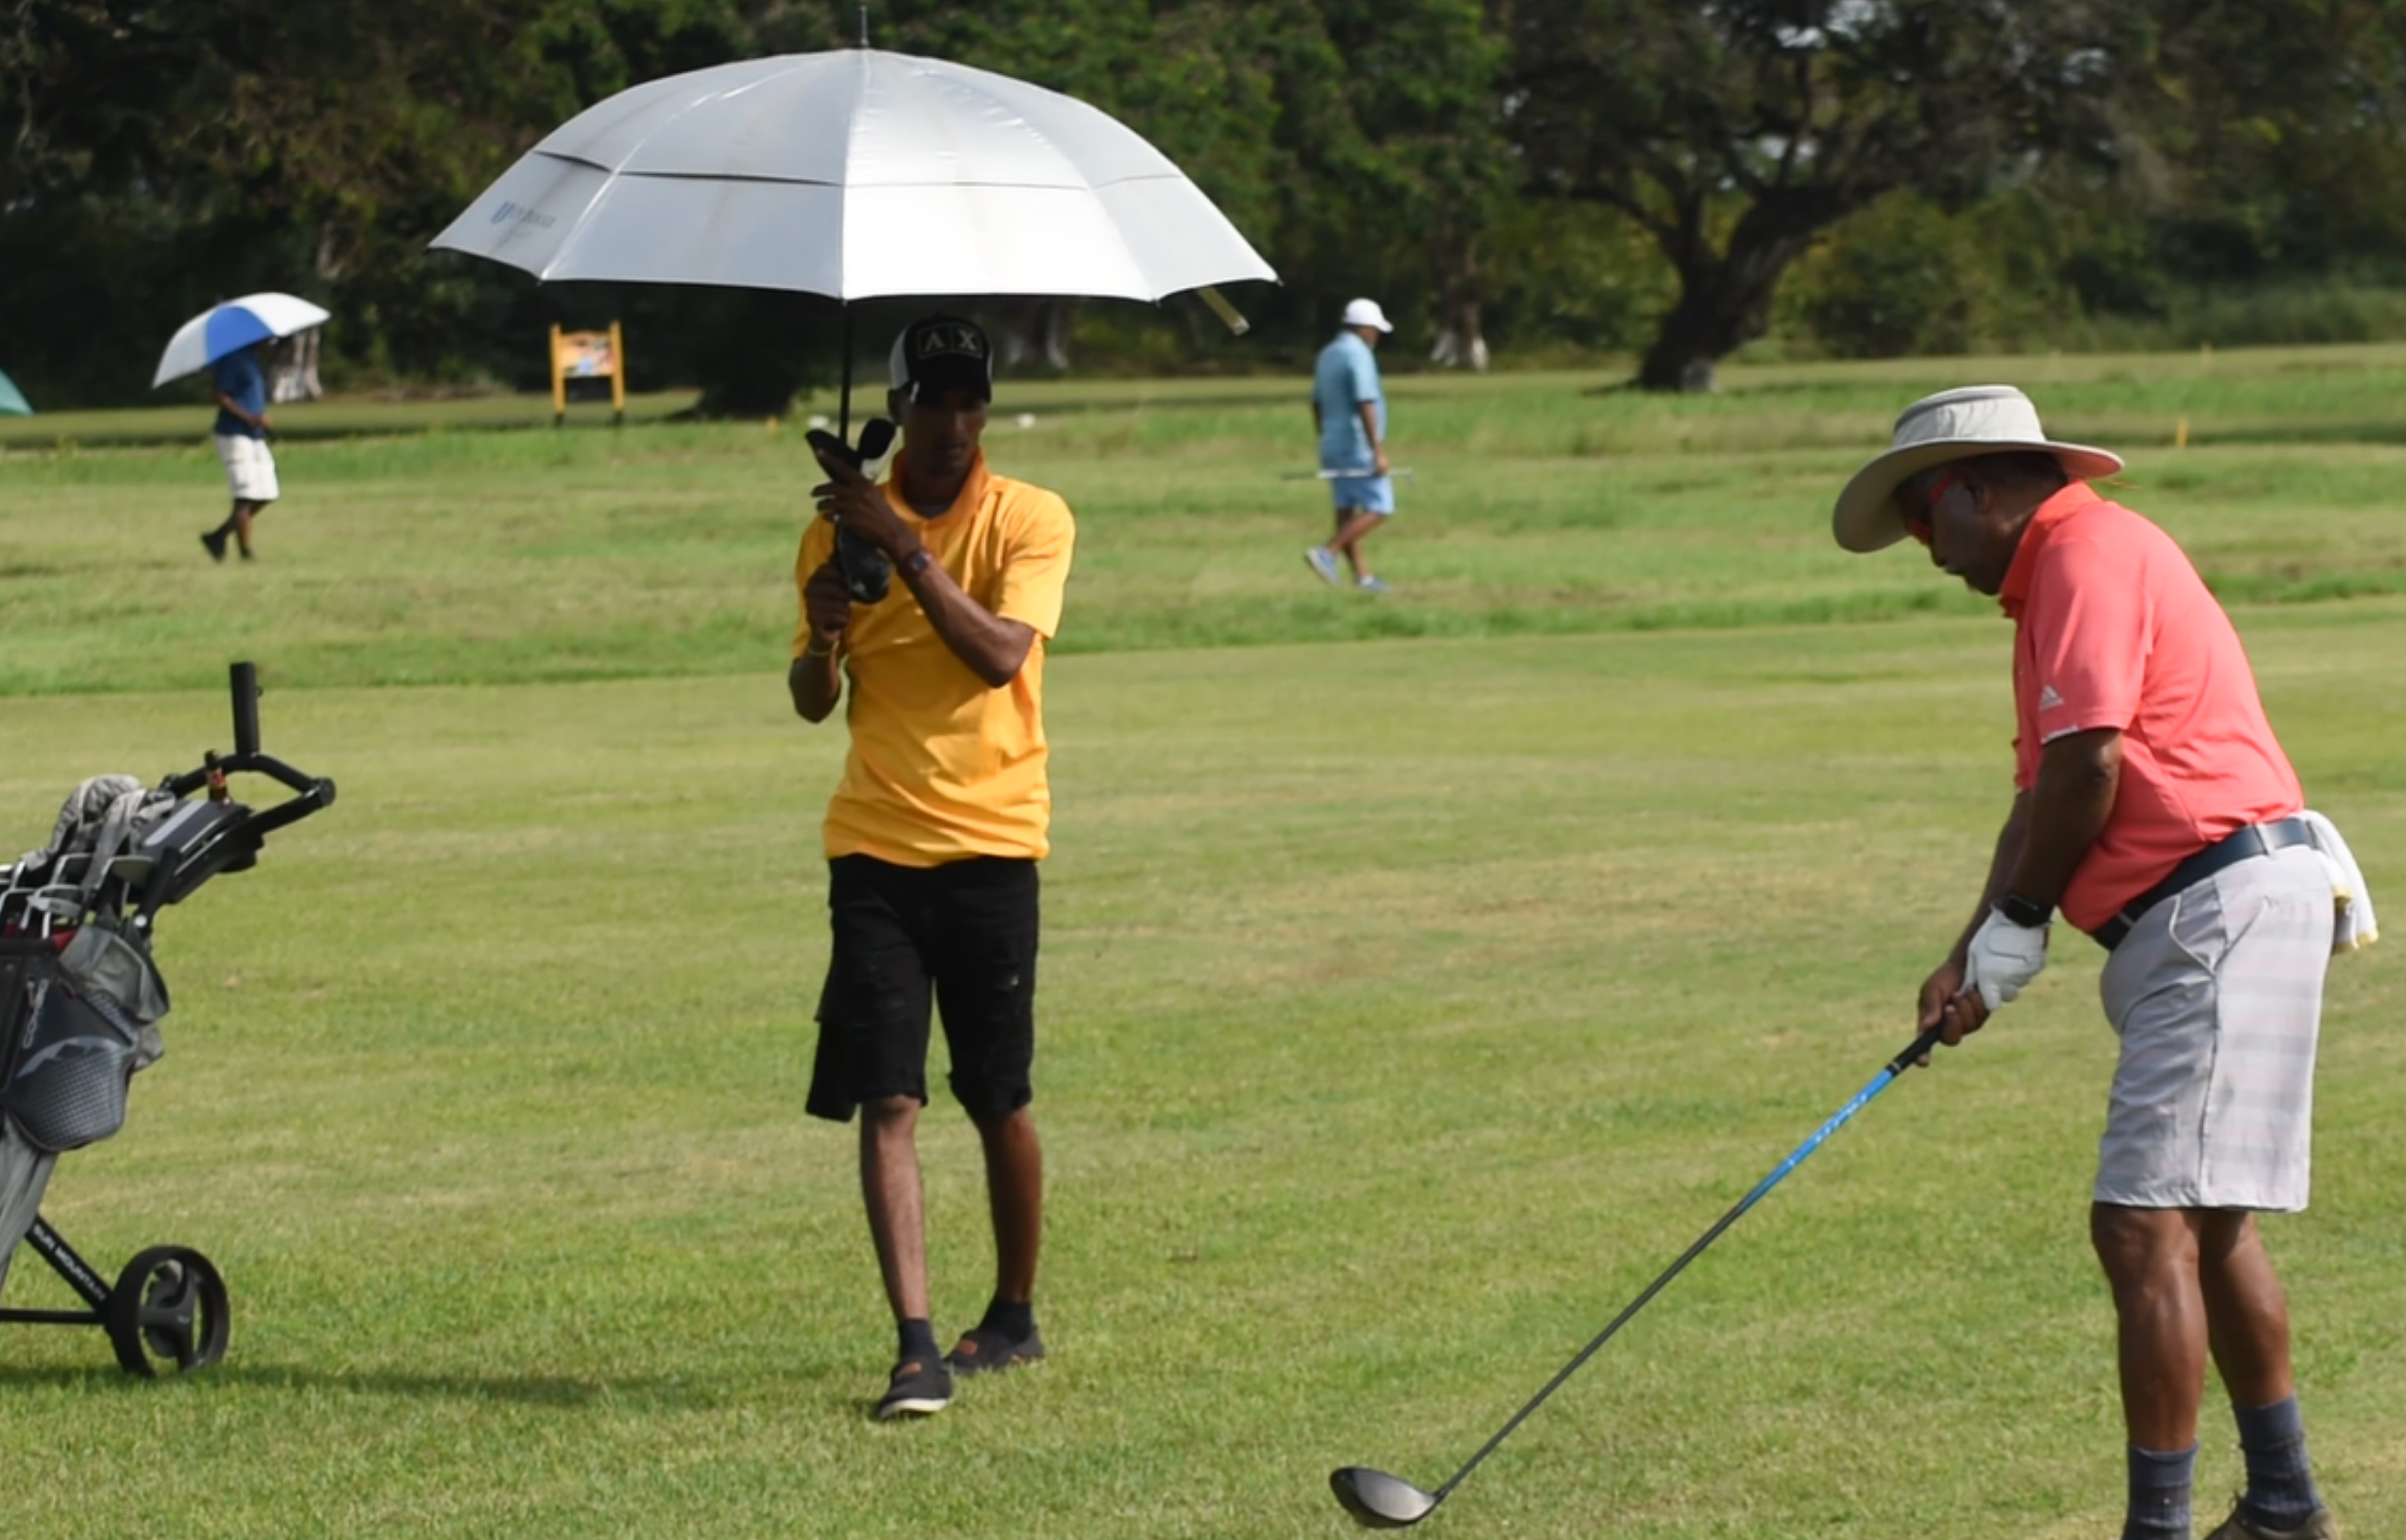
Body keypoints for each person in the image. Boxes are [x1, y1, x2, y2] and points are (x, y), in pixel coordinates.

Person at [1833, 385, 2372, 1540]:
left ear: (1975, 489)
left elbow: (2091, 772)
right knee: (2206, 1223)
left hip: (2213, 904)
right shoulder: (2051, 582)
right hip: (2205, 912)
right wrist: (1974, 950)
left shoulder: (2084, 553)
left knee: (2138, 1226)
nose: (1926, 554)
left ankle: (2162, 1530)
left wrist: (2023, 919)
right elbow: (2040, 792)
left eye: (1926, 522)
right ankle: (2284, 1508)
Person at [789, 314, 1076, 1421]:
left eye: (972, 402)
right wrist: (822, 636)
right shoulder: (833, 535)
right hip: (873, 845)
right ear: (896, 410)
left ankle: (1012, 1314)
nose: (956, 422)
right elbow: (814, 703)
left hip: (997, 841)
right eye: (936, 401)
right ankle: (915, 1346)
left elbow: (1001, 654)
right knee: (890, 1095)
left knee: (996, 1097)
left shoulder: (1030, 517)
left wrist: (903, 549)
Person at [1306, 297, 1396, 593]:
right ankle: (1326, 552)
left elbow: (1317, 403)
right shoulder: (1359, 355)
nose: (1377, 336)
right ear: (1365, 328)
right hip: (1358, 445)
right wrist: (1378, 450)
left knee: (1346, 510)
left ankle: (1363, 577)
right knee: (1380, 507)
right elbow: (1365, 402)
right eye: (1376, 330)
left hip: (1332, 444)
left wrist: (1325, 436)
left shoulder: (1328, 354)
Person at [202, 341, 277, 561]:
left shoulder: (253, 359)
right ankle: (246, 552)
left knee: (267, 493)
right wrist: (250, 418)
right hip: (234, 434)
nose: (271, 341)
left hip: (255, 435)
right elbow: (221, 396)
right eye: (267, 337)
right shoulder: (233, 359)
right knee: (245, 494)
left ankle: (218, 536)